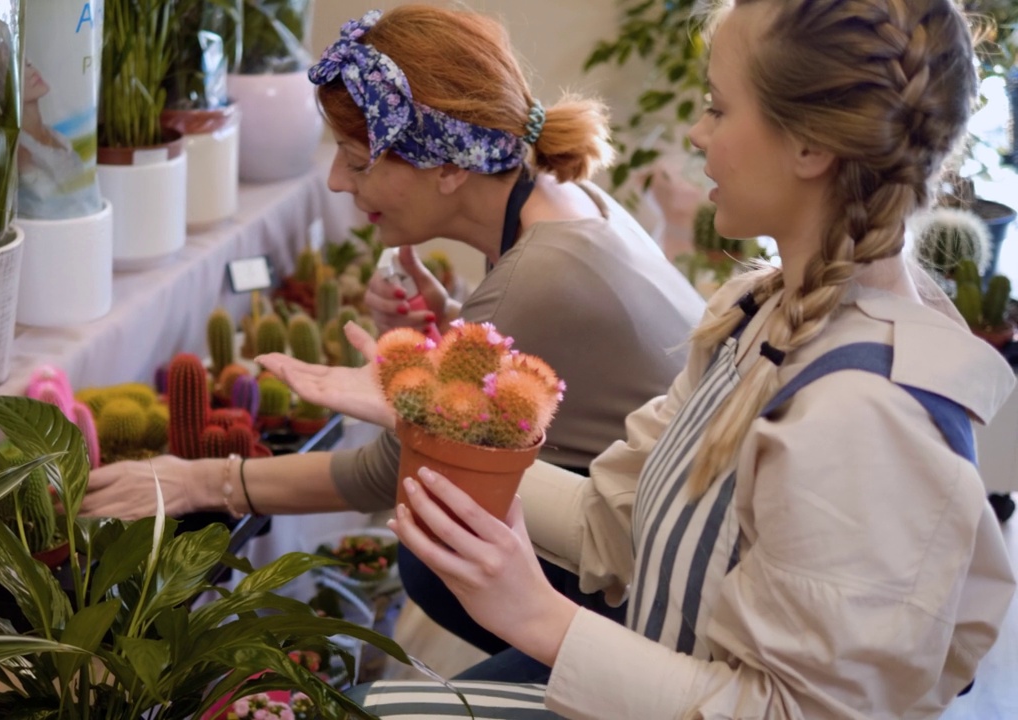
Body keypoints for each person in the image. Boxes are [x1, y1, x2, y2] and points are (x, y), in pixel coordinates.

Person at [260, 0, 1018, 716]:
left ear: (811, 145)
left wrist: (539, 618)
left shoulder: (863, 414)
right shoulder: (762, 309)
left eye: (719, 107)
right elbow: (616, 515)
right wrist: (434, 414)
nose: (695, 132)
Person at [79, 5, 704, 681]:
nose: (336, 182)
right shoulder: (563, 196)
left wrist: (201, 479)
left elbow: (385, 472)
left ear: (446, 167)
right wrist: (459, 328)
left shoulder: (534, 277)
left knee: (425, 535)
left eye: (356, 160)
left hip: (665, 623)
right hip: (664, 555)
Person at [17, 60, 101, 220]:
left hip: (82, 220)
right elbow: (48, 203)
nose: (31, 72)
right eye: (20, 69)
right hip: (54, 229)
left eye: (28, 65)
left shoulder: (56, 135)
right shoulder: (22, 151)